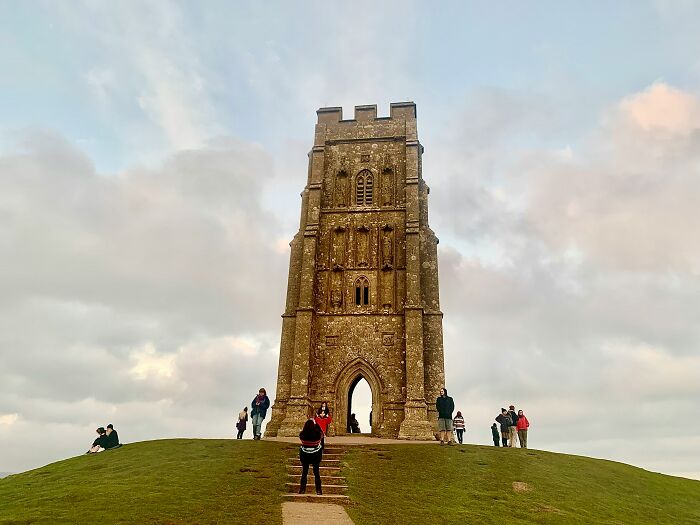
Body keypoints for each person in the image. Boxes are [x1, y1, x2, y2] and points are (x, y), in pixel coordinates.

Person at [298, 419, 323, 495]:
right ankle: (318, 490)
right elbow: (321, 434)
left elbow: (301, 439)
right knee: (316, 473)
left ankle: (302, 490)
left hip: (305, 455)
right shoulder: (317, 434)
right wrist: (317, 425)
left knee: (304, 472)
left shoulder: (302, 434)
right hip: (315, 455)